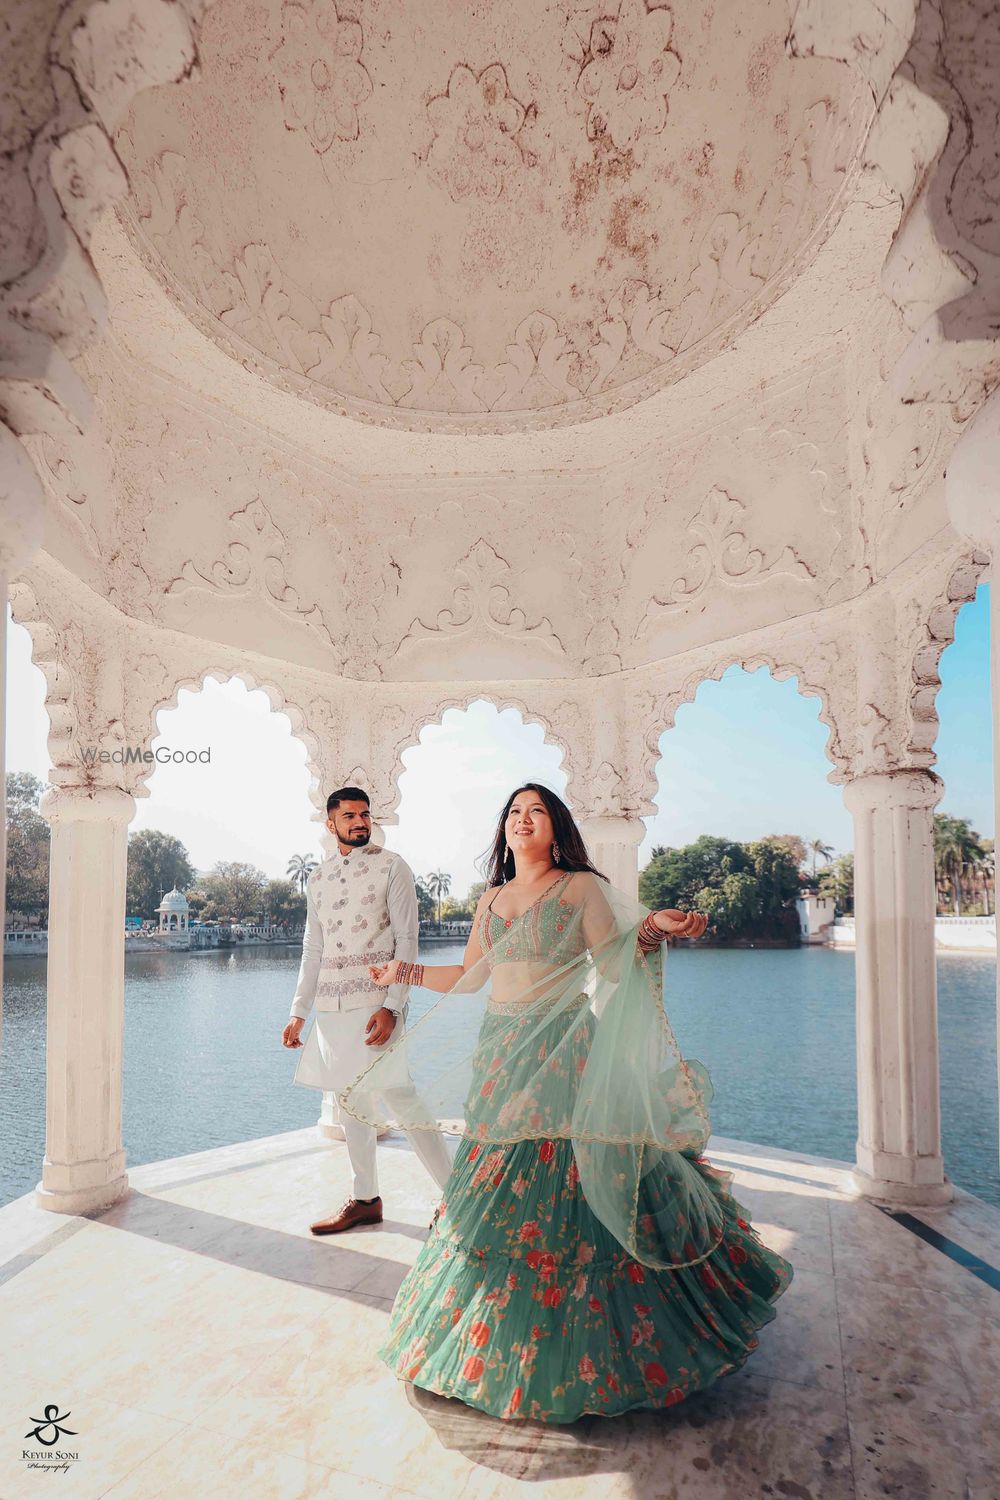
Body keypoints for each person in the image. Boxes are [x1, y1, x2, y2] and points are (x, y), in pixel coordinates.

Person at [341, 783, 793, 1423]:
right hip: (502, 1053)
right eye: (515, 812)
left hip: (563, 1050)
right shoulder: (492, 897)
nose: (524, 820)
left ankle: (609, 1347)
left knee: (575, 1175)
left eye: (538, 812)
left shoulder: (579, 887)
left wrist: (653, 929)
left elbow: (612, 965)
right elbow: (472, 978)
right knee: (499, 1182)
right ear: (504, 829)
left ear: (556, 828)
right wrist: (404, 973)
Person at [282, 786, 453, 1233]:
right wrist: (299, 1011)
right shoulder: (318, 878)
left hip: (376, 1004)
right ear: (331, 823)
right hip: (332, 1005)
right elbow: (311, 948)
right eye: (350, 816)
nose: (360, 822)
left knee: (401, 1096)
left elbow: (407, 940)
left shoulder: (392, 867)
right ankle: (365, 1200)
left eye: (365, 815)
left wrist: (393, 1005)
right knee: (349, 1100)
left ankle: (457, 1199)